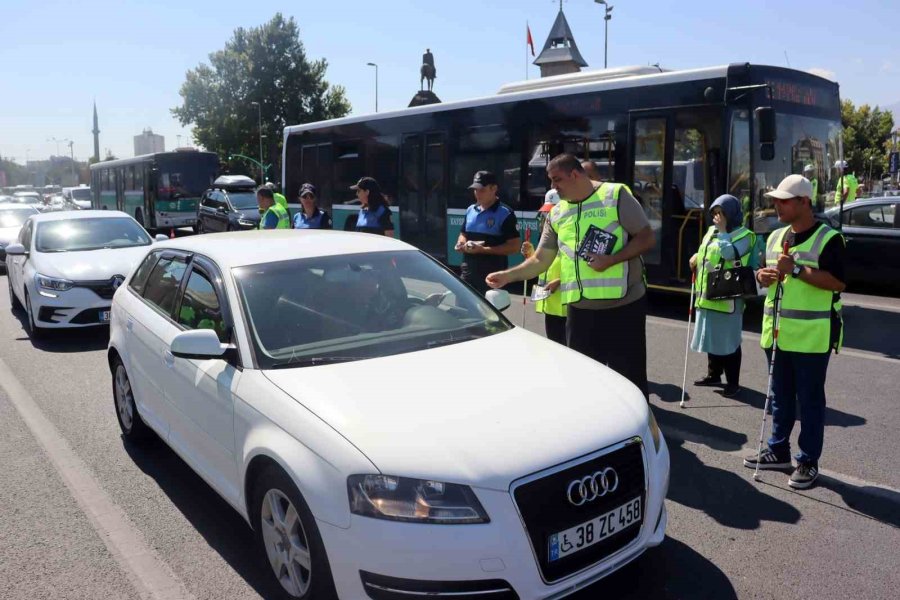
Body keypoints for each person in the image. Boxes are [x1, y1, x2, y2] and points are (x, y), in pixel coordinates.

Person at [486, 154, 656, 398]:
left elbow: (646, 237)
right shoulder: (557, 214)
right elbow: (540, 259)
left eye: (557, 180)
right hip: (579, 311)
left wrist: (611, 260)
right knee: (586, 383)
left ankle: (640, 433)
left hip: (623, 306)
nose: (553, 187)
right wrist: (507, 276)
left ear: (575, 174)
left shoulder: (615, 195)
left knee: (629, 382)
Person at [743, 174, 845, 490]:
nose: (776, 206)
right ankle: (778, 450)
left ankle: (808, 461)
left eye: (783, 201)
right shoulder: (775, 237)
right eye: (775, 200)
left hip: (812, 336)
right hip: (776, 333)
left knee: (810, 401)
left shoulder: (829, 238)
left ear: (803, 202)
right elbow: (766, 276)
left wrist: (797, 270)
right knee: (780, 398)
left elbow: (838, 283)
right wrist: (763, 275)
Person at [689, 195, 757, 398]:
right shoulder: (712, 231)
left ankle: (733, 383)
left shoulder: (746, 235)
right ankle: (714, 375)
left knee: (729, 341)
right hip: (708, 294)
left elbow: (730, 255)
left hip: (729, 298)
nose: (717, 218)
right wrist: (696, 257)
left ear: (731, 214)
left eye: (722, 213)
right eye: (715, 213)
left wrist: (724, 232)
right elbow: (706, 252)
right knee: (712, 338)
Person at [454, 171, 520, 295]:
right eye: (475, 190)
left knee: (489, 313)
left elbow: (514, 247)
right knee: (463, 311)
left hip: (492, 276)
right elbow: (463, 233)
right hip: (468, 273)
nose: (477, 194)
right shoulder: (470, 210)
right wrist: (461, 243)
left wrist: (482, 250)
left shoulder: (505, 213)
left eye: (482, 190)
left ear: (494, 189)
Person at [522, 189, 566, 344]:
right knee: (555, 344)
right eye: (546, 214)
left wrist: (560, 281)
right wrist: (532, 255)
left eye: (551, 213)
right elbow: (546, 262)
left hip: (568, 305)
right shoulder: (548, 235)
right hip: (551, 305)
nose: (547, 217)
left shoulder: (571, 233)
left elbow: (583, 266)